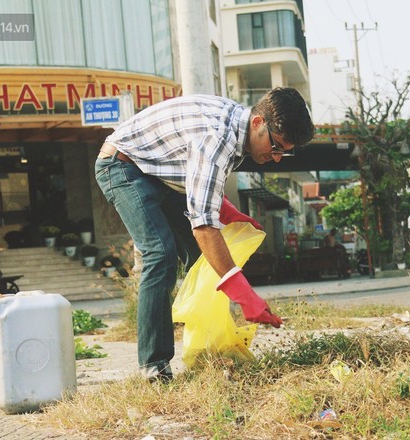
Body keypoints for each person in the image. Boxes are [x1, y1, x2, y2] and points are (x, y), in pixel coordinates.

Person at [94, 88, 314, 382]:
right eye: (276, 147)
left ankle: (208, 350)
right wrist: (243, 294)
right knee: (160, 255)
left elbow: (197, 178)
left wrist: (228, 211)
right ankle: (154, 366)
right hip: (124, 166)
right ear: (259, 122)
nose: (276, 158)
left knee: (204, 261)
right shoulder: (218, 138)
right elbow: (204, 226)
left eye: (283, 153)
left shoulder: (237, 131)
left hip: (159, 173)